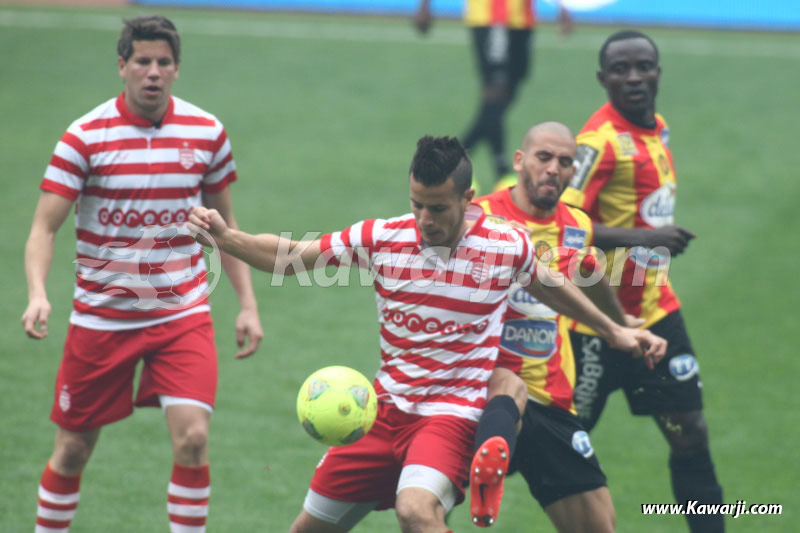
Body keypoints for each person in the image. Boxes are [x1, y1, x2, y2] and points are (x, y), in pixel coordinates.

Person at [188, 135, 666, 533]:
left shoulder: (504, 245)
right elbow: (291, 255)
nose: (424, 220)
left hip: (453, 415)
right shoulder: (384, 237)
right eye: (416, 204)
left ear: (467, 200)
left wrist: (615, 330)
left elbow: (550, 284)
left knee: (415, 511)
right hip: (383, 409)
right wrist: (229, 238)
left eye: (437, 208)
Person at [21, 15, 263, 533]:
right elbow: (44, 229)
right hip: (101, 321)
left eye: (163, 62)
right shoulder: (84, 138)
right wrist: (38, 294)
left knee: (194, 438)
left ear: (177, 70)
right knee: (73, 449)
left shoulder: (206, 133)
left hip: (183, 313)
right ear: (121, 67)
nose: (152, 72)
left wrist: (247, 304)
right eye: (142, 62)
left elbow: (228, 228)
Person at [561, 30, 724, 532]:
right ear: (602, 78)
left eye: (643, 67)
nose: (634, 78)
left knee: (689, 434)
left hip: (656, 318)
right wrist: (644, 238)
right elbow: (566, 221)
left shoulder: (658, 128)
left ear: (658, 72)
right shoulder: (598, 142)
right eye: (621, 70)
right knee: (556, 443)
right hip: (597, 327)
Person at [469, 121, 642, 530]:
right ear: (519, 161)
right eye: (544, 157)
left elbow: (589, 272)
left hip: (550, 398)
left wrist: (621, 324)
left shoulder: (576, 226)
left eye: (565, 162)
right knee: (420, 505)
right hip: (482, 396)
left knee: (599, 526)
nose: (554, 169)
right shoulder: (480, 218)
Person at [413, 0, 571, 186]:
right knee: (497, 88)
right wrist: (425, 5)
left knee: (505, 95)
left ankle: (452, 159)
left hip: (523, 18)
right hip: (491, 16)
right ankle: (502, 172)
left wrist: (562, 7)